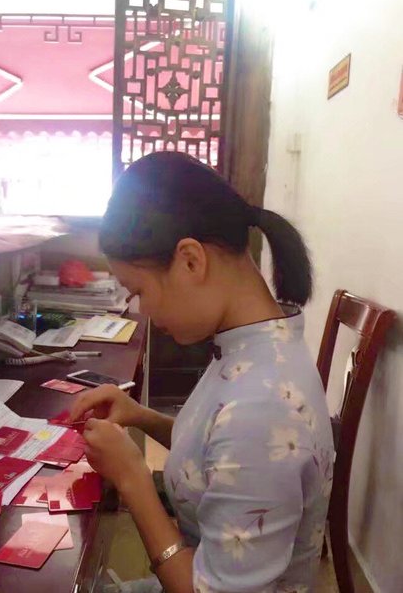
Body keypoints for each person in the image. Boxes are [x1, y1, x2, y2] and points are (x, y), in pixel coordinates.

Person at [71, 152, 334, 593]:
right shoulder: (254, 345)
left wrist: (133, 478)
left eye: (139, 291)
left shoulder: (260, 408)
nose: (144, 310)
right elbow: (218, 456)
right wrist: (139, 416)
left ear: (191, 260)